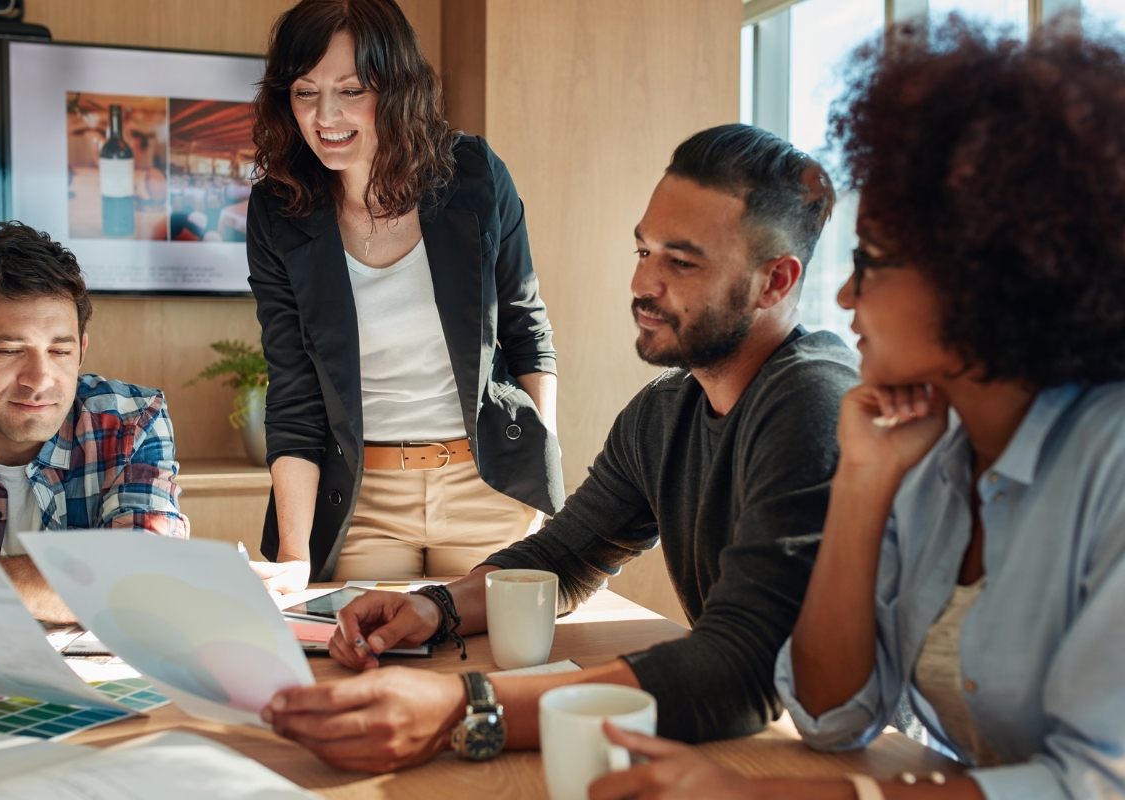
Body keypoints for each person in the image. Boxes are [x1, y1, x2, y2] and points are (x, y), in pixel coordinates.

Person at [584, 19, 1125, 800]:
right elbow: (834, 716)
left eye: (869, 262)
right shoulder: (931, 454)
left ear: (986, 272)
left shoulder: (1108, 461)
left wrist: (765, 795)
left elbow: (1095, 784)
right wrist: (864, 485)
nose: (841, 295)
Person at [259, 124, 861, 773]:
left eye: (680, 262)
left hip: (837, 767)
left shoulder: (813, 403)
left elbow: (742, 666)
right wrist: (431, 607)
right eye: (643, 250)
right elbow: (562, 557)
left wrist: (465, 705)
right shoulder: (663, 412)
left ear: (776, 282)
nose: (643, 284)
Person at [246, 0, 562, 591]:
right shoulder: (279, 208)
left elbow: (527, 334)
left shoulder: (474, 175)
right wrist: (293, 557)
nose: (326, 116)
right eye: (304, 92)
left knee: (498, 664)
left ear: (396, 88)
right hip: (363, 500)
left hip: (487, 485)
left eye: (352, 89)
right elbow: (292, 388)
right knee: (362, 658)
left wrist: (538, 486)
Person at [0, 222, 189, 710]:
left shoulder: (131, 422)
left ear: (82, 350)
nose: (40, 379)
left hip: (99, 709)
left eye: (60, 351)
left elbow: (142, 587)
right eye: (10, 350)